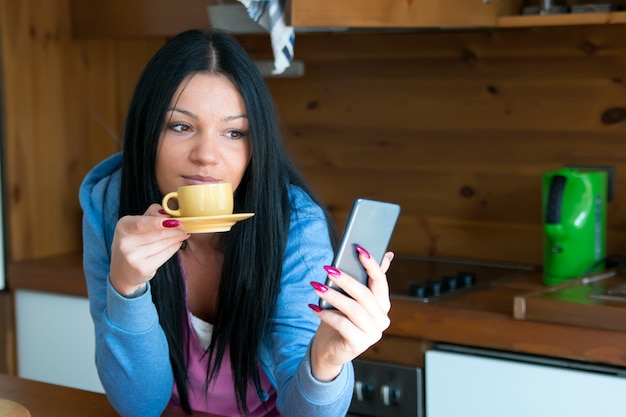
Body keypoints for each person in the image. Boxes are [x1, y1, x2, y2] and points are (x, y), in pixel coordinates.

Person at [79, 29, 393, 417]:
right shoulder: (112, 209)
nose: (207, 155)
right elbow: (139, 405)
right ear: (147, 132)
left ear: (254, 145)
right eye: (181, 126)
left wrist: (325, 361)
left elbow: (305, 411)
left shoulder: (295, 226)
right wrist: (127, 289)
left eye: (233, 132)